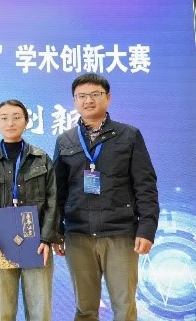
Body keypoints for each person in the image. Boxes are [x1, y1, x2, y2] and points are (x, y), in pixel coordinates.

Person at [53, 73, 159, 321]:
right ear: (74, 101)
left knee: (124, 307)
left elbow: (145, 185)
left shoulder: (129, 135)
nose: (88, 100)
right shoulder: (66, 140)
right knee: (85, 309)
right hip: (78, 234)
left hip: (120, 233)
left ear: (108, 98)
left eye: (95, 94)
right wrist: (55, 230)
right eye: (81, 96)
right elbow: (57, 190)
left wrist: (147, 228)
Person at [0, 99, 58, 321]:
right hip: (0, 243)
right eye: (4, 118)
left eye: (16, 117)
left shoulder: (41, 158)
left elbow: (53, 201)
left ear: (26, 122)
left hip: (36, 241)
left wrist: (46, 238)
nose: (10, 123)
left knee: (40, 312)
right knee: (3, 311)